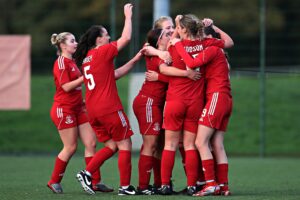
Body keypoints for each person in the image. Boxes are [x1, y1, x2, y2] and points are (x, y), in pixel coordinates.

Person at [73, 3, 141, 196]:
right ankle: (125, 187)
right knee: (125, 143)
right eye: (106, 34)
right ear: (98, 39)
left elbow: (115, 74)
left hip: (93, 110)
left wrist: (135, 60)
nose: (109, 37)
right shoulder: (102, 51)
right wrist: (127, 16)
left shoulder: (88, 58)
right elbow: (126, 37)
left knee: (112, 145)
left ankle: (87, 173)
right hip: (109, 108)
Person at [170, 20, 233, 196]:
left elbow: (190, 62)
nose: (200, 38)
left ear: (210, 37)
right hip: (225, 98)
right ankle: (223, 186)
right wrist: (215, 28)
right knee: (217, 144)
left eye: (203, 35)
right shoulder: (214, 47)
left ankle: (211, 184)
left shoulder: (211, 48)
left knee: (200, 142)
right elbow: (229, 42)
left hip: (217, 97)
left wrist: (177, 44)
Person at [134, 28, 199, 195]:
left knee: (162, 145)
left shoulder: (169, 50)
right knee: (151, 144)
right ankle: (143, 186)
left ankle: (161, 184)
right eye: (167, 33)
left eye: (172, 31)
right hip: (149, 102)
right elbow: (148, 50)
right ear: (158, 40)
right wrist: (186, 73)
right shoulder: (152, 51)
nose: (172, 35)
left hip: (163, 103)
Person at [48, 32, 113, 194]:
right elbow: (66, 87)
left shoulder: (73, 62)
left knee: (91, 143)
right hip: (64, 109)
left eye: (75, 40)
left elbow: (76, 88)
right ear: (63, 45)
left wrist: (84, 100)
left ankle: (95, 182)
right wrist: (84, 77)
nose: (75, 43)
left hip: (78, 108)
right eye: (72, 41)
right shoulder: (61, 62)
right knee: (70, 147)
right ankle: (54, 181)